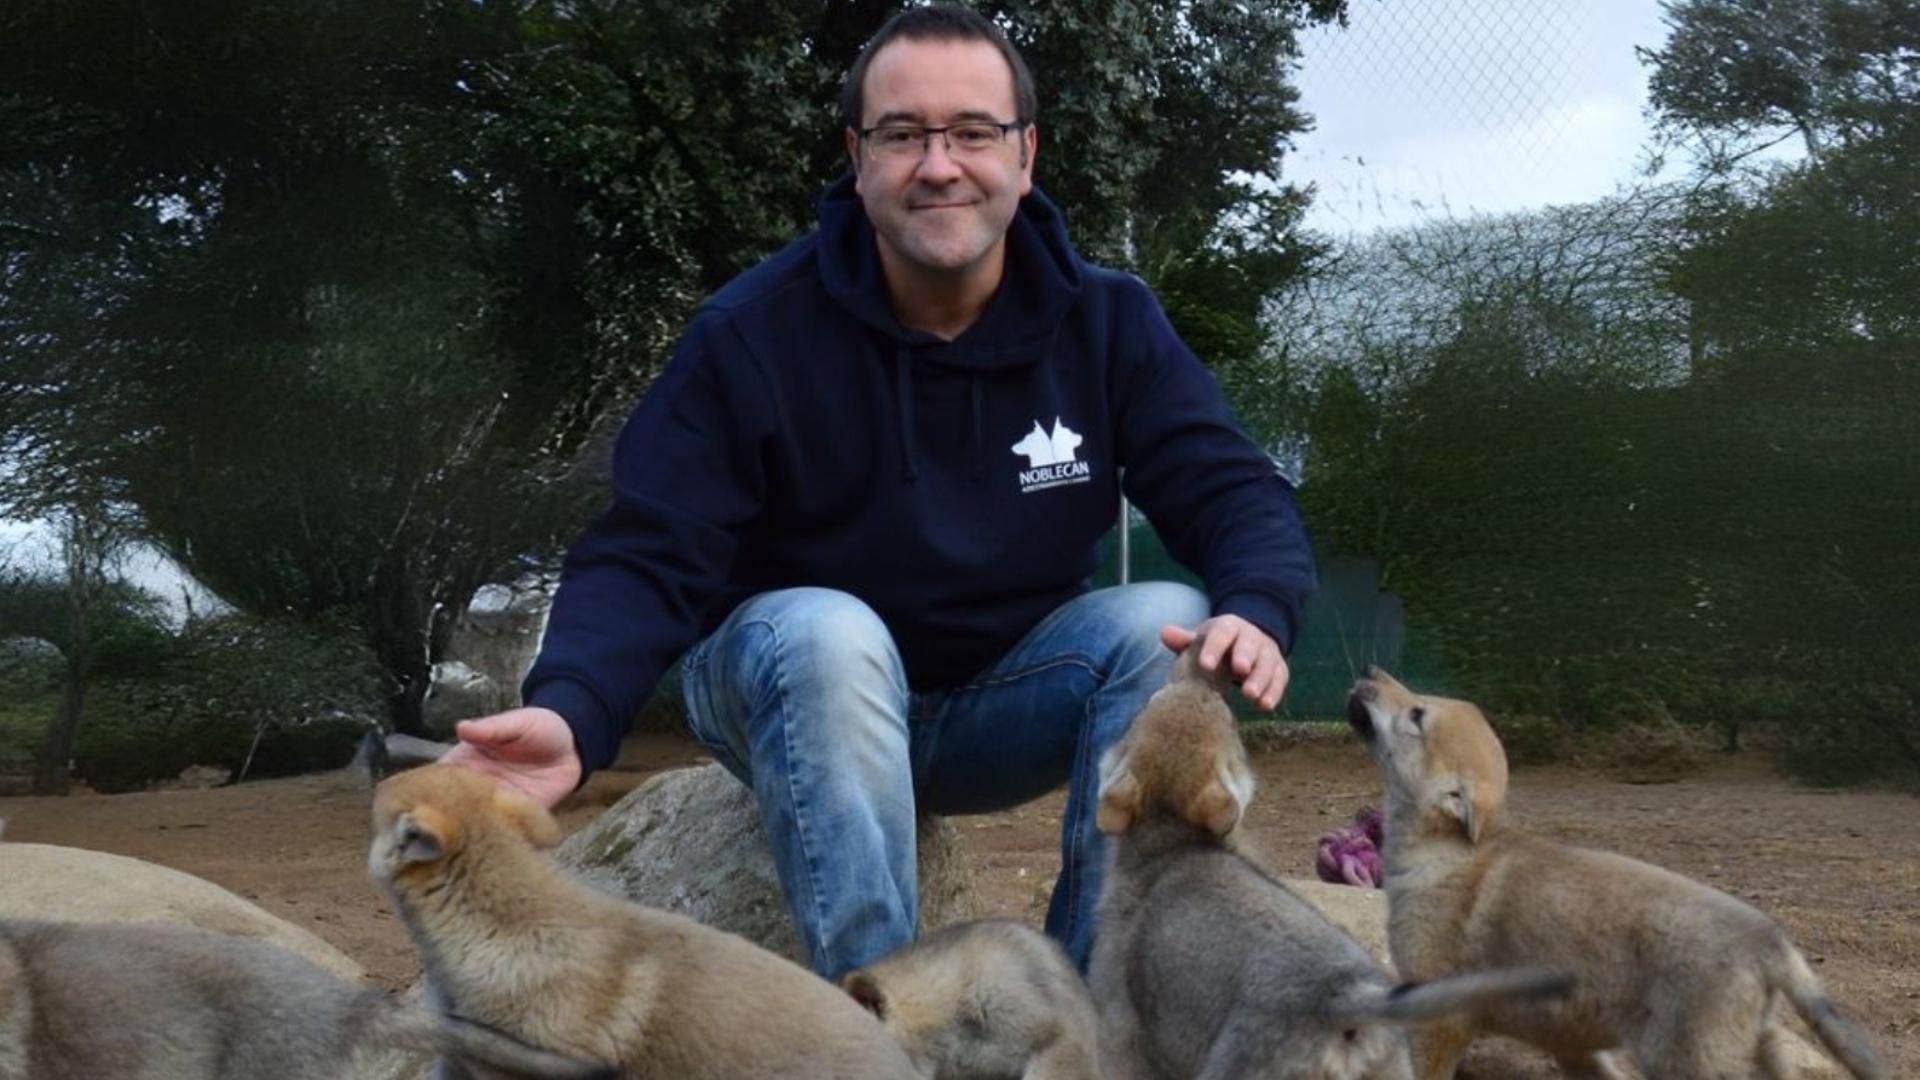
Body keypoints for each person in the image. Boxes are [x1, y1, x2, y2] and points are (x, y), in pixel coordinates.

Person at [442, 4, 1316, 979]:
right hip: (792, 679)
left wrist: (1257, 607)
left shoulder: (1108, 322)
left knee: (1170, 620)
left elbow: (1233, 490)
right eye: (903, 134)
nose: (938, 164)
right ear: (858, 159)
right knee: (827, 630)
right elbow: (649, 548)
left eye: (973, 132)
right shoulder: (753, 332)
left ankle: (1085, 1015)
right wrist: (572, 709)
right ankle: (879, 1030)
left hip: (1000, 700)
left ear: (1026, 155)